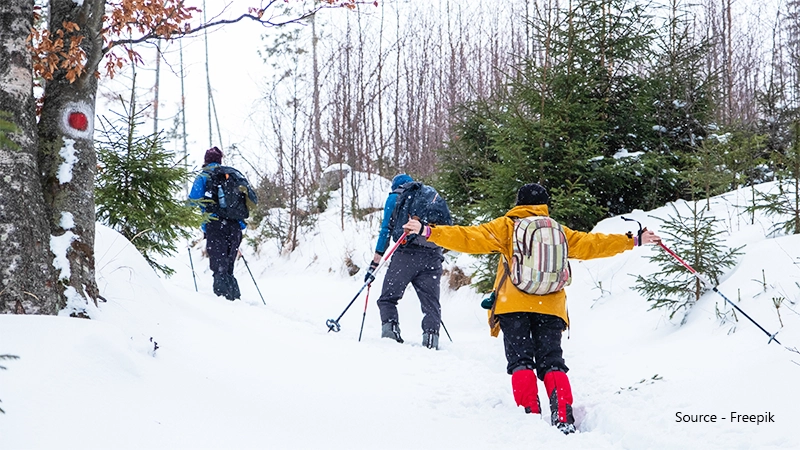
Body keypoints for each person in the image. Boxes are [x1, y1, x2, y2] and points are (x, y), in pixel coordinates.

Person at [403, 183, 660, 434]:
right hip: (550, 305)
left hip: (512, 305)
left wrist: (428, 231)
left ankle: (531, 417)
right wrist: (634, 240)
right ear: (544, 205)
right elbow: (593, 244)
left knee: (521, 361)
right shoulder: (559, 230)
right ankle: (563, 417)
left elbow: (469, 237)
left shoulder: (507, 227)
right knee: (552, 362)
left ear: (519, 203)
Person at [365, 174, 448, 349]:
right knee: (431, 304)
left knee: (387, 298)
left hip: (406, 255)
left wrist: (374, 263)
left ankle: (390, 338)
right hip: (433, 255)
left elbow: (385, 231)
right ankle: (431, 340)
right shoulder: (430, 196)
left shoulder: (396, 197)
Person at [188, 146, 257, 301]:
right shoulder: (232, 175)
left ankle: (224, 306)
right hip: (235, 227)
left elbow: (192, 202)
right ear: (220, 160)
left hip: (215, 225)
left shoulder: (204, 176)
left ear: (205, 161)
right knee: (228, 269)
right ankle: (234, 301)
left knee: (219, 269)